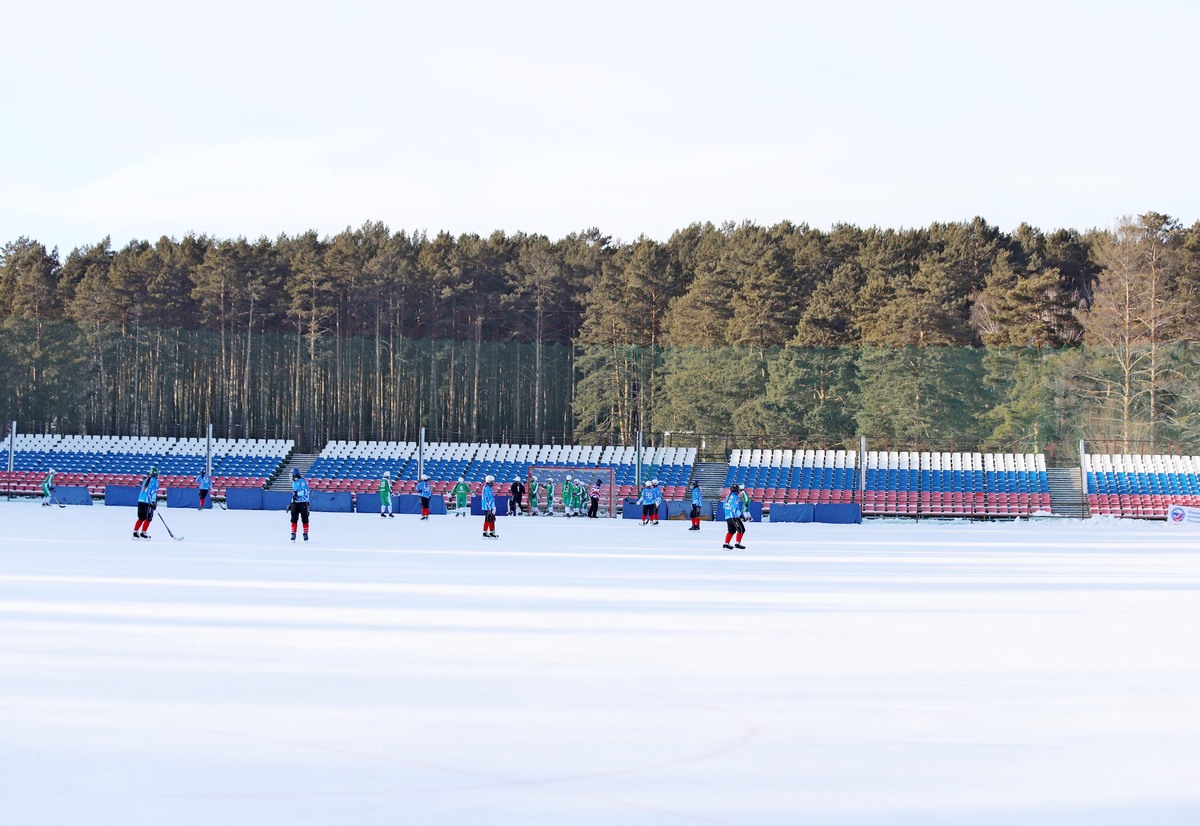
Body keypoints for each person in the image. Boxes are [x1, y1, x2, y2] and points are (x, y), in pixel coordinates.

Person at [132, 466, 159, 539]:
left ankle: (135, 532)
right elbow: (153, 492)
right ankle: (143, 533)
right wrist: (153, 502)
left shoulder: (146, 480)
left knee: (141, 517)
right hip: (148, 501)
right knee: (148, 518)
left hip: (140, 500)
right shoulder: (155, 481)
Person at [722, 483, 746, 550]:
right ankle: (737, 543)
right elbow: (735, 508)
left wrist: (727, 513)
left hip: (728, 516)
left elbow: (723, 506)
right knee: (741, 529)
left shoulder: (727, 496)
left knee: (731, 531)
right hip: (733, 517)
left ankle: (726, 544)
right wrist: (740, 515)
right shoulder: (735, 497)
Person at [290, 467, 310, 541]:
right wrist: (291, 503)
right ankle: (293, 533)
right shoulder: (294, 483)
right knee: (293, 519)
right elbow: (294, 494)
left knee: (304, 518)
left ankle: (305, 533)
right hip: (295, 503)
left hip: (303, 502)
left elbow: (305, 491)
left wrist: (297, 494)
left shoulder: (302, 481)